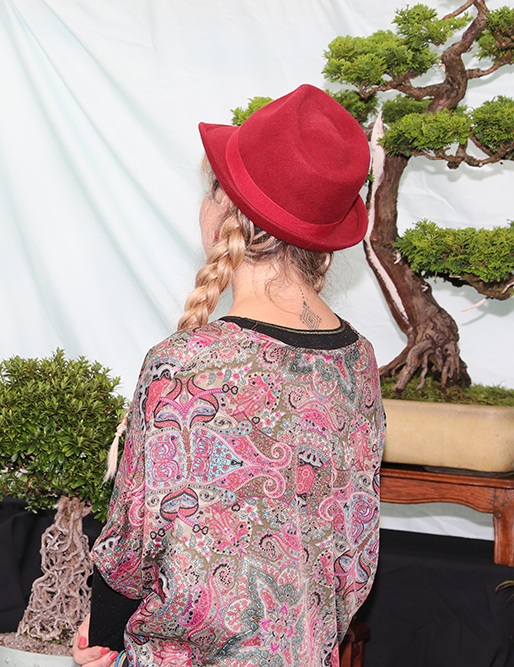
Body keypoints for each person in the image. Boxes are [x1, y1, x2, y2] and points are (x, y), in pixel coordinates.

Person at [73, 84, 385, 667]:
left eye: (209, 188)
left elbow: (136, 542)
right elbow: (355, 542)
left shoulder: (185, 363)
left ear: (225, 209)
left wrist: (105, 633)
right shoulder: (358, 361)